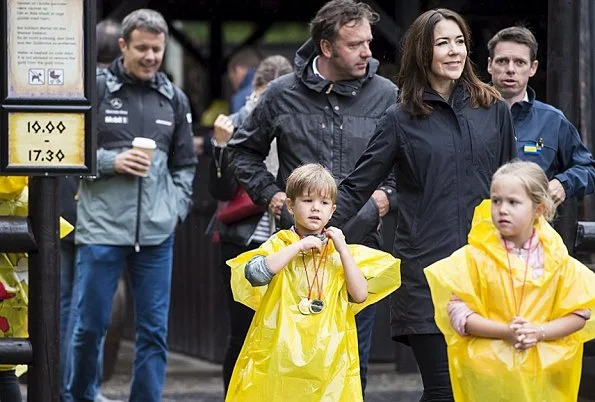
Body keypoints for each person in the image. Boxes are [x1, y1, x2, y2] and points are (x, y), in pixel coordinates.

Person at [327, 8, 516, 401]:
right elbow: (357, 186)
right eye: (442, 42)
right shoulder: (400, 118)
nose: (454, 51)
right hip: (427, 275)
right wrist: (309, 230)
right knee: (444, 390)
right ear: (421, 51)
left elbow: (513, 188)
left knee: (482, 390)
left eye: (459, 41)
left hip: (490, 271)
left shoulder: (493, 109)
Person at [227, 0, 398, 391]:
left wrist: (385, 197)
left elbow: (409, 160)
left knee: (352, 372)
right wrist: (271, 196)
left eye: (368, 42)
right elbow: (240, 151)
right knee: (284, 371)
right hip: (291, 257)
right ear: (326, 46)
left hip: (356, 251)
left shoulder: (387, 95)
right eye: (355, 44)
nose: (368, 52)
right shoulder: (281, 94)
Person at [67, 9, 197, 402]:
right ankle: (80, 396)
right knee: (90, 326)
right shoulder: (96, 90)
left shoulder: (174, 98)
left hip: (157, 235)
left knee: (154, 330)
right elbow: (71, 152)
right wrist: (112, 161)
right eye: (142, 48)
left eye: (157, 49)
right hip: (101, 229)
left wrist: (175, 208)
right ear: (123, 45)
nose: (151, 57)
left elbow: (185, 164)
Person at [225, 164, 401, 401]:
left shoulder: (338, 253)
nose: (316, 208)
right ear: (290, 205)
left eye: (324, 203)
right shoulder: (280, 244)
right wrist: (297, 247)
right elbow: (255, 273)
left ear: (332, 210)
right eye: (307, 201)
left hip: (329, 361)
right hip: (279, 356)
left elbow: (360, 295)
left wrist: (343, 251)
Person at [424, 160, 595, 401]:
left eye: (513, 202)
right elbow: (458, 312)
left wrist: (538, 332)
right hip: (488, 382)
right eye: (496, 200)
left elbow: (580, 313)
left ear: (540, 208)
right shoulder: (474, 256)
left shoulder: (557, 260)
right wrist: (505, 332)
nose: (502, 209)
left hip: (544, 382)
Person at [208, 55, 292, 394]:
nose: (263, 103)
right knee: (242, 332)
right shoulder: (237, 122)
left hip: (290, 239)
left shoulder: (299, 119)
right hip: (246, 238)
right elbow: (221, 190)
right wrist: (220, 146)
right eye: (259, 95)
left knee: (288, 332)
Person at [60, 18, 124, 402]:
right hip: (97, 212)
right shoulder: (113, 91)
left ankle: (63, 385)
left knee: (67, 303)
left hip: (61, 205)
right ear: (120, 47)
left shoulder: (71, 87)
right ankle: (86, 388)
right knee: (92, 309)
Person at [487, 26, 595, 204]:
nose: (510, 69)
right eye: (502, 61)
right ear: (490, 65)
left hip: (534, 226)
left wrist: (562, 183)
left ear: (533, 68)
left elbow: (589, 170)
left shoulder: (552, 120)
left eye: (520, 62)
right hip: (478, 227)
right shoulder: (469, 114)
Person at [227, 47, 262, 113]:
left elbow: (238, 123)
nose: (232, 81)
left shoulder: (240, 97)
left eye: (232, 75)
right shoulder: (272, 87)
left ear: (238, 69)